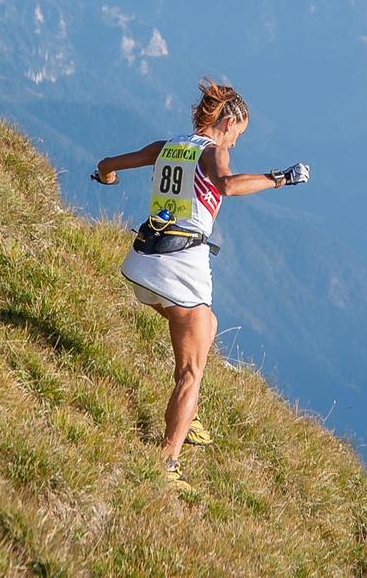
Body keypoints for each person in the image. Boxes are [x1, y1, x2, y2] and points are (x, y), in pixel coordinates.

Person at [91, 78, 310, 491]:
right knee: (191, 372)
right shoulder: (213, 152)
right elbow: (227, 185)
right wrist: (280, 178)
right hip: (181, 270)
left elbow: (108, 163)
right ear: (227, 123)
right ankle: (167, 463)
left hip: (141, 265)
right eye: (237, 135)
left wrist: (106, 178)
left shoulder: (168, 146)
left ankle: (185, 414)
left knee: (205, 326)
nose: (235, 144)